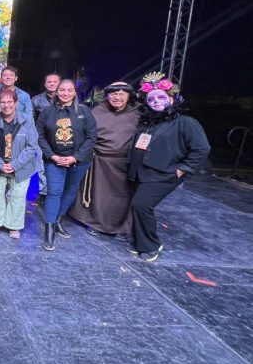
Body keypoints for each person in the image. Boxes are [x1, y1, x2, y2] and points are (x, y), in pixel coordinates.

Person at [126, 72, 210, 262]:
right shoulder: (148, 122)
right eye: (151, 99)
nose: (156, 101)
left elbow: (202, 148)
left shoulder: (185, 122)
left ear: (171, 99)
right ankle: (140, 242)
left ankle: (151, 245)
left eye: (161, 97)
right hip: (141, 172)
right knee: (138, 206)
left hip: (164, 174)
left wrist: (183, 169)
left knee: (141, 204)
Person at [69, 81, 140, 238]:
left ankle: (121, 226)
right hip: (100, 161)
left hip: (125, 163)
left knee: (121, 197)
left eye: (121, 94)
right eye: (113, 94)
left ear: (129, 96)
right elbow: (85, 133)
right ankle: (94, 222)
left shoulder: (138, 113)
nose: (117, 97)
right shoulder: (97, 111)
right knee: (99, 195)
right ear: (107, 96)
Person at [36, 79, 98, 251]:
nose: (65, 93)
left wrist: (75, 157)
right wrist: (52, 155)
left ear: (74, 93)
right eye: (62, 90)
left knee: (70, 191)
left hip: (79, 162)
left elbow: (91, 137)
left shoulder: (84, 112)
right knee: (54, 192)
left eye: (69, 90)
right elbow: (40, 135)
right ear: (56, 92)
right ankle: (49, 230)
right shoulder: (47, 112)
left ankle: (58, 220)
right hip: (54, 161)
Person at [0, 89, 39, 238]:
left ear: (16, 103)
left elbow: (32, 146)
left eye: (9, 102)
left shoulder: (27, 120)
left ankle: (14, 225)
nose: (6, 105)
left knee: (18, 195)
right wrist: (0, 164)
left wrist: (15, 165)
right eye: (3, 102)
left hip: (21, 167)